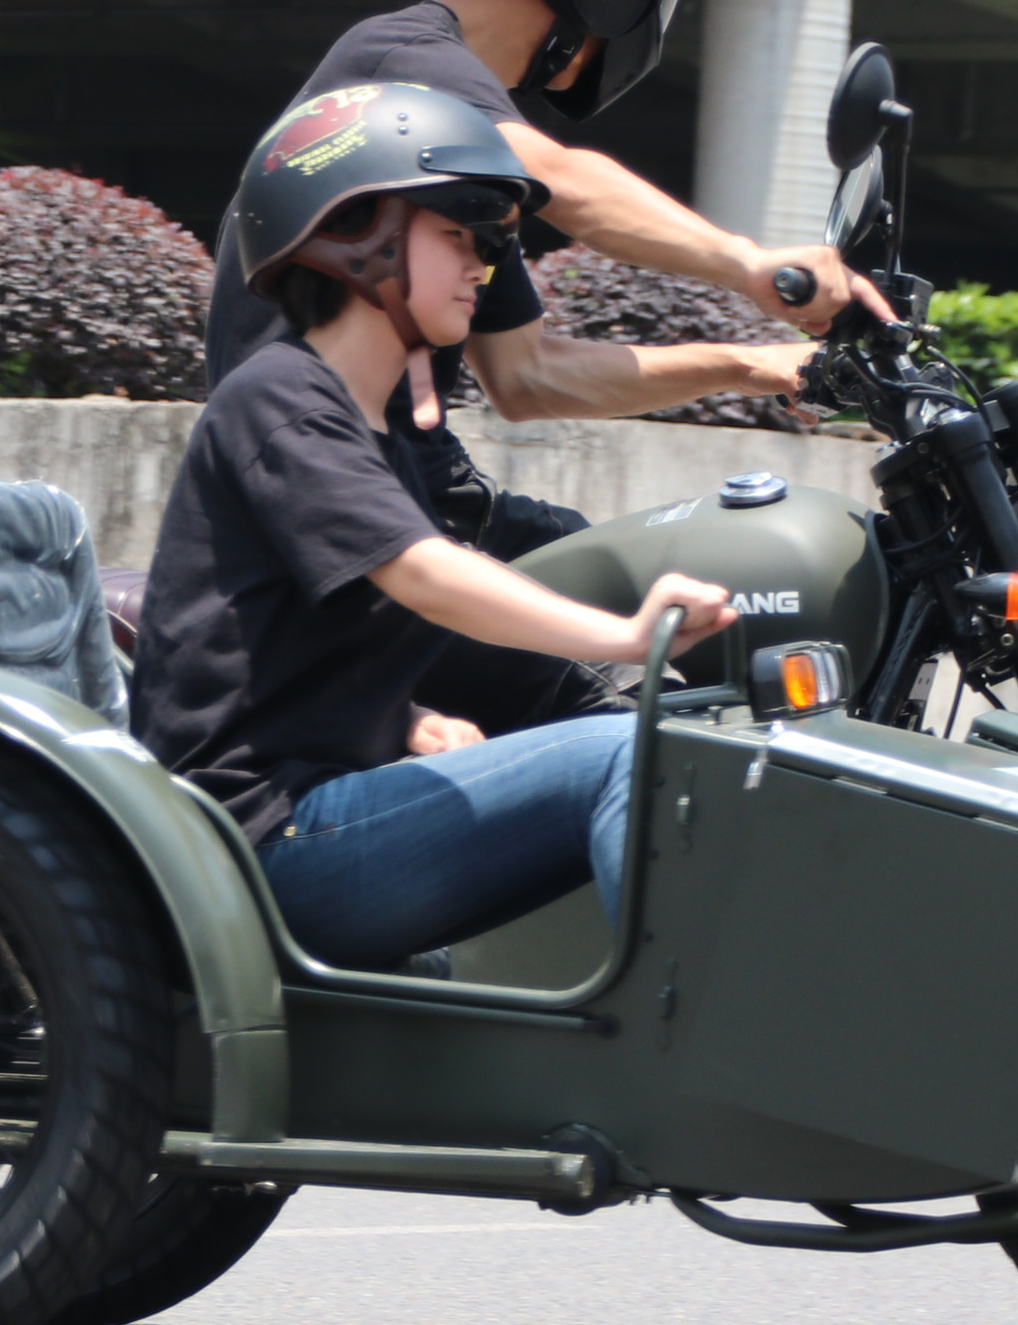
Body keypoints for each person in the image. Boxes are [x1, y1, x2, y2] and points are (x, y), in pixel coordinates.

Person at [195, 0, 888, 743]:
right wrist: (754, 266)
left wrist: (756, 365)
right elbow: (562, 178)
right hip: (355, 540)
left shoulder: (448, 163)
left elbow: (528, 374)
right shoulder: (398, 60)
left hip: (432, 509)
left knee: (686, 612)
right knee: (636, 737)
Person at [136, 82, 740, 971]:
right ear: (355, 233)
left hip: (321, 809)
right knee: (635, 757)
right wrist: (624, 634)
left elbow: (290, 651)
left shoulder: (380, 426)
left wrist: (408, 720)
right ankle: (703, 1049)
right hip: (261, 841)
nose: (483, 268)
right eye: (460, 235)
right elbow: (422, 573)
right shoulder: (279, 400)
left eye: (492, 244)